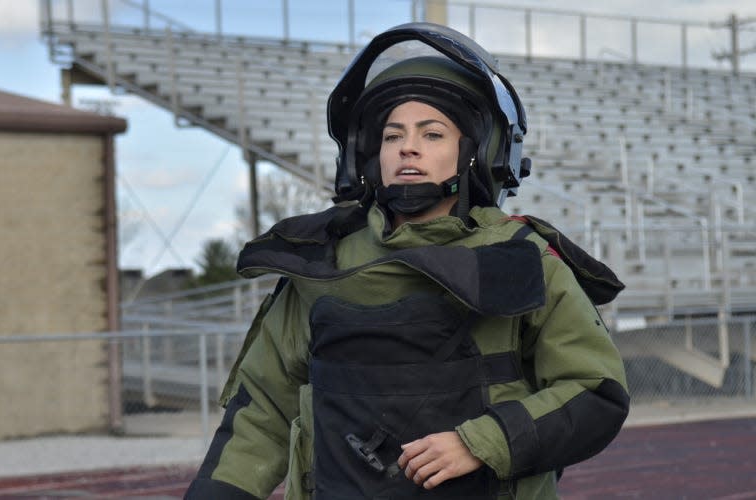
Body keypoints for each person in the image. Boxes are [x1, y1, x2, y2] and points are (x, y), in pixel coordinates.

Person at [185, 22, 629, 500]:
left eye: (432, 133)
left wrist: (481, 443)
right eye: (393, 135)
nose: (407, 147)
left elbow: (594, 391)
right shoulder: (321, 262)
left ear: (476, 154)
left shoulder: (521, 259)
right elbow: (263, 409)